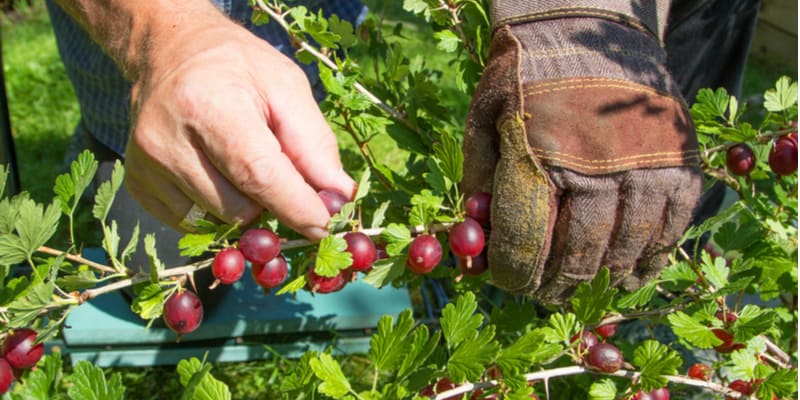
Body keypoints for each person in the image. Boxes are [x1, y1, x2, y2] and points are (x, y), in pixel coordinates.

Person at [46, 0, 760, 305]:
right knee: (169, 233)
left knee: (294, 180)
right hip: (133, 57)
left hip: (313, 26)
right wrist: (157, 36)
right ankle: (173, 277)